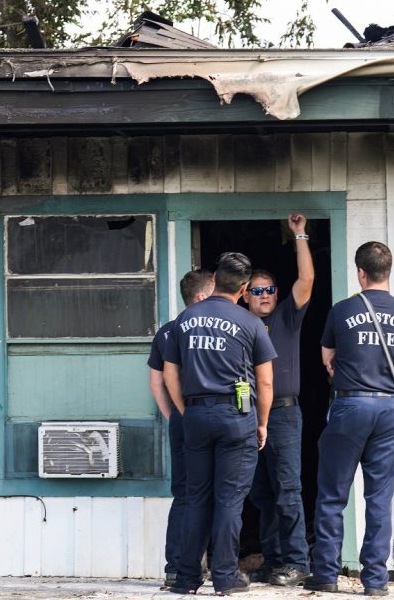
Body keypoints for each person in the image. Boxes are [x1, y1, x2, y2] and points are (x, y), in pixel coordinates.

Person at [305, 241, 394, 597]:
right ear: (388, 271)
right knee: (379, 498)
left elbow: (327, 358)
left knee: (333, 496)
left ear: (360, 273)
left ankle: (325, 574)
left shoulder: (342, 311)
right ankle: (375, 582)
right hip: (389, 409)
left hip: (351, 405)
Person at [163, 252, 276, 596]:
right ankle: (225, 578)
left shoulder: (184, 320)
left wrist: (186, 410)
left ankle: (186, 579)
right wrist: (262, 424)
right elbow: (266, 382)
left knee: (196, 497)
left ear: (216, 277)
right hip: (236, 416)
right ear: (244, 288)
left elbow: (170, 374)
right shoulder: (250, 323)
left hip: (195, 415)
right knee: (229, 500)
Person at [242, 213, 315, 587]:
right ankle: (273, 560)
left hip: (284, 415)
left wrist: (299, 234)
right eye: (257, 290)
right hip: (248, 417)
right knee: (261, 493)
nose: (265, 295)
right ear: (245, 294)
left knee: (288, 490)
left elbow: (306, 280)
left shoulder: (287, 315)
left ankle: (297, 561)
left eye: (269, 289)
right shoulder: (239, 323)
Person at [149, 270, 216, 587]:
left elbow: (156, 382)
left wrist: (174, 415)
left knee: (185, 493)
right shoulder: (213, 329)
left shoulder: (166, 332)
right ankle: (211, 564)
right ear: (202, 297)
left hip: (181, 419)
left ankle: (176, 566)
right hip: (210, 415)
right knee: (216, 492)